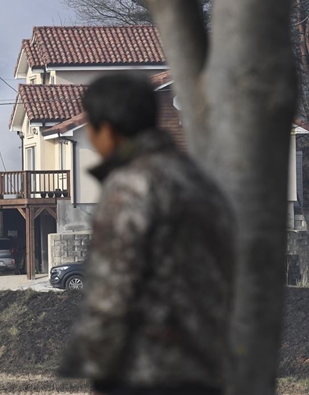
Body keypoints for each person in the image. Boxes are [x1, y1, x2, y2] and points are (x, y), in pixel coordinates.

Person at [58, 74, 235, 395]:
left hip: (147, 371)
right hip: (209, 366)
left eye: (91, 131)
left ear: (107, 131)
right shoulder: (200, 180)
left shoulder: (130, 186)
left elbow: (112, 293)